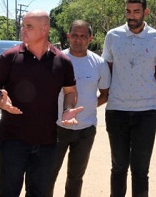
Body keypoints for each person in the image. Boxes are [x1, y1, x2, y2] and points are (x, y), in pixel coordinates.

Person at [0, 10, 82, 197]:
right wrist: (1, 103)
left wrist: (68, 109)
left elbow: (70, 91)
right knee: (8, 191)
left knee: (40, 193)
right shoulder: (10, 58)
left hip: (47, 142)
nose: (23, 30)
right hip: (12, 141)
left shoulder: (62, 61)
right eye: (23, 25)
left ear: (45, 29)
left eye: (29, 26)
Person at [103, 0, 156, 197]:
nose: (131, 16)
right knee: (119, 167)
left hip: (146, 112)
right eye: (128, 11)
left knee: (141, 171)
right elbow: (108, 70)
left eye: (136, 12)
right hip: (116, 111)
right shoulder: (112, 36)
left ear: (145, 12)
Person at [49, 20, 111, 197]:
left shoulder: (99, 64)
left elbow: (104, 94)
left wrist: (88, 108)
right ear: (68, 36)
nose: (78, 40)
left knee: (76, 177)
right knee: (48, 174)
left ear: (90, 39)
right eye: (75, 35)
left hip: (86, 130)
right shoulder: (56, 60)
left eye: (83, 36)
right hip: (56, 128)